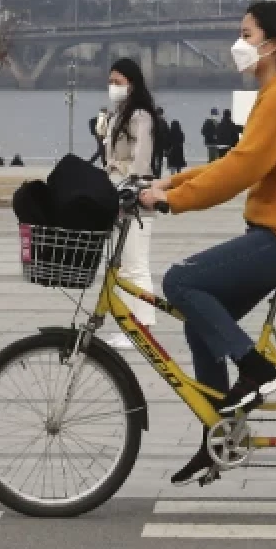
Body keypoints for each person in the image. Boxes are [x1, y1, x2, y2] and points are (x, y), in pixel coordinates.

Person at [139, 1, 276, 486]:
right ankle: (219, 435)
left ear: (273, 45)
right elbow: (236, 161)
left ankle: (256, 371)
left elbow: (240, 171)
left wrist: (172, 201)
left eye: (246, 35)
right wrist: (170, 182)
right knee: (200, 323)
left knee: (181, 281)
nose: (238, 44)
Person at [104, 58, 160, 348]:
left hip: (134, 196)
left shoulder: (140, 115)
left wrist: (131, 186)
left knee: (136, 263)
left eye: (118, 82)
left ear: (132, 83)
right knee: (124, 265)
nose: (113, 86)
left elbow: (141, 159)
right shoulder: (120, 114)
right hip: (120, 193)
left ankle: (143, 326)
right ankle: (129, 326)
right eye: (111, 81)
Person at [152, 107, 171, 178]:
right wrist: (167, 147)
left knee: (153, 159)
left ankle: (154, 173)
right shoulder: (163, 122)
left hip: (153, 143)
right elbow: (167, 135)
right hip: (160, 144)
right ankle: (158, 174)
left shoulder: (152, 122)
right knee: (159, 160)